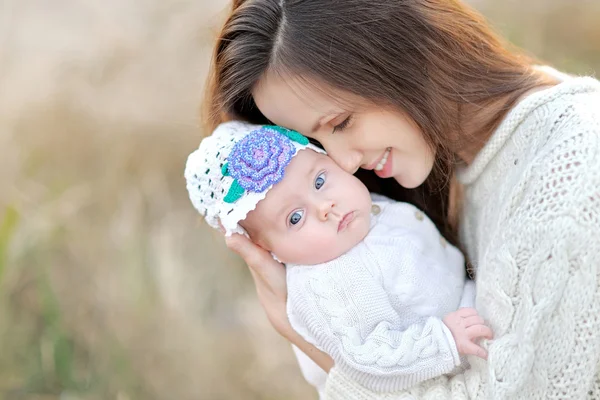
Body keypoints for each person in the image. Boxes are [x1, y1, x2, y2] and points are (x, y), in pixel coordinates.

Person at [203, 0, 600, 398]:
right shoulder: (448, 170)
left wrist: (304, 336)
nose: (341, 161)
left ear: (400, 52)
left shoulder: (572, 176)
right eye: (315, 144)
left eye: (341, 123)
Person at [185, 121, 488, 398]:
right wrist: (442, 341)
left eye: (318, 181)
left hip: (472, 319)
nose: (324, 207)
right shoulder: (327, 282)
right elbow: (369, 357)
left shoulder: (364, 212)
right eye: (295, 218)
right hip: (449, 369)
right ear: (267, 249)